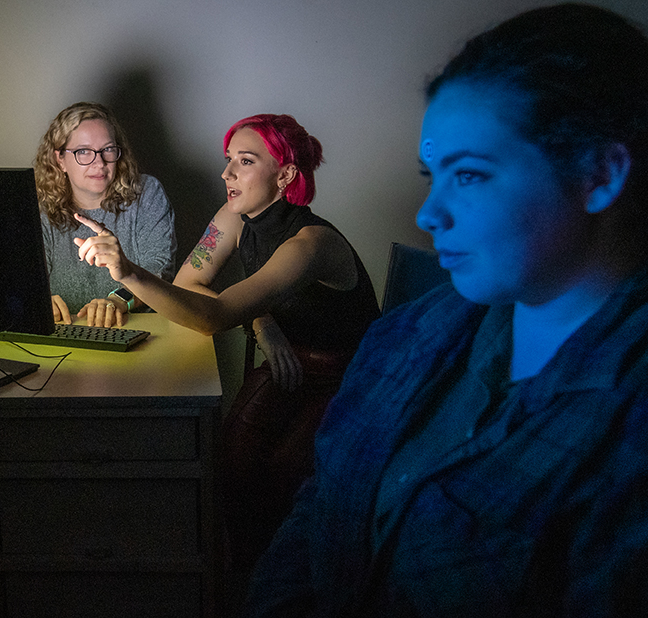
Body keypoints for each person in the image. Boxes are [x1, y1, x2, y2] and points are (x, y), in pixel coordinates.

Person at [243, 4, 648, 616]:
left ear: (599, 173)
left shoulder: (629, 424)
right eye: (433, 175)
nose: (429, 215)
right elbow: (319, 509)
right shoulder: (405, 333)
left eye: (471, 175)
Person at [74, 114, 381, 572]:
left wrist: (127, 271)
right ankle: (243, 578)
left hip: (350, 380)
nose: (226, 173)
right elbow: (189, 281)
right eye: (228, 160)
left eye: (245, 161)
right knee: (232, 461)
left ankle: (276, 581)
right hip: (289, 365)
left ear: (286, 176)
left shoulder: (311, 244)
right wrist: (260, 321)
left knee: (278, 478)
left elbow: (211, 316)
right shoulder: (233, 218)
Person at [33, 102, 176, 327]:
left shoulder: (146, 192)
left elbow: (159, 271)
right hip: (65, 336)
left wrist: (118, 301)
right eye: (83, 152)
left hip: (137, 331)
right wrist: (38, 303)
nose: (99, 163)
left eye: (107, 149)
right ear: (60, 159)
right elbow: (28, 282)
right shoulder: (40, 207)